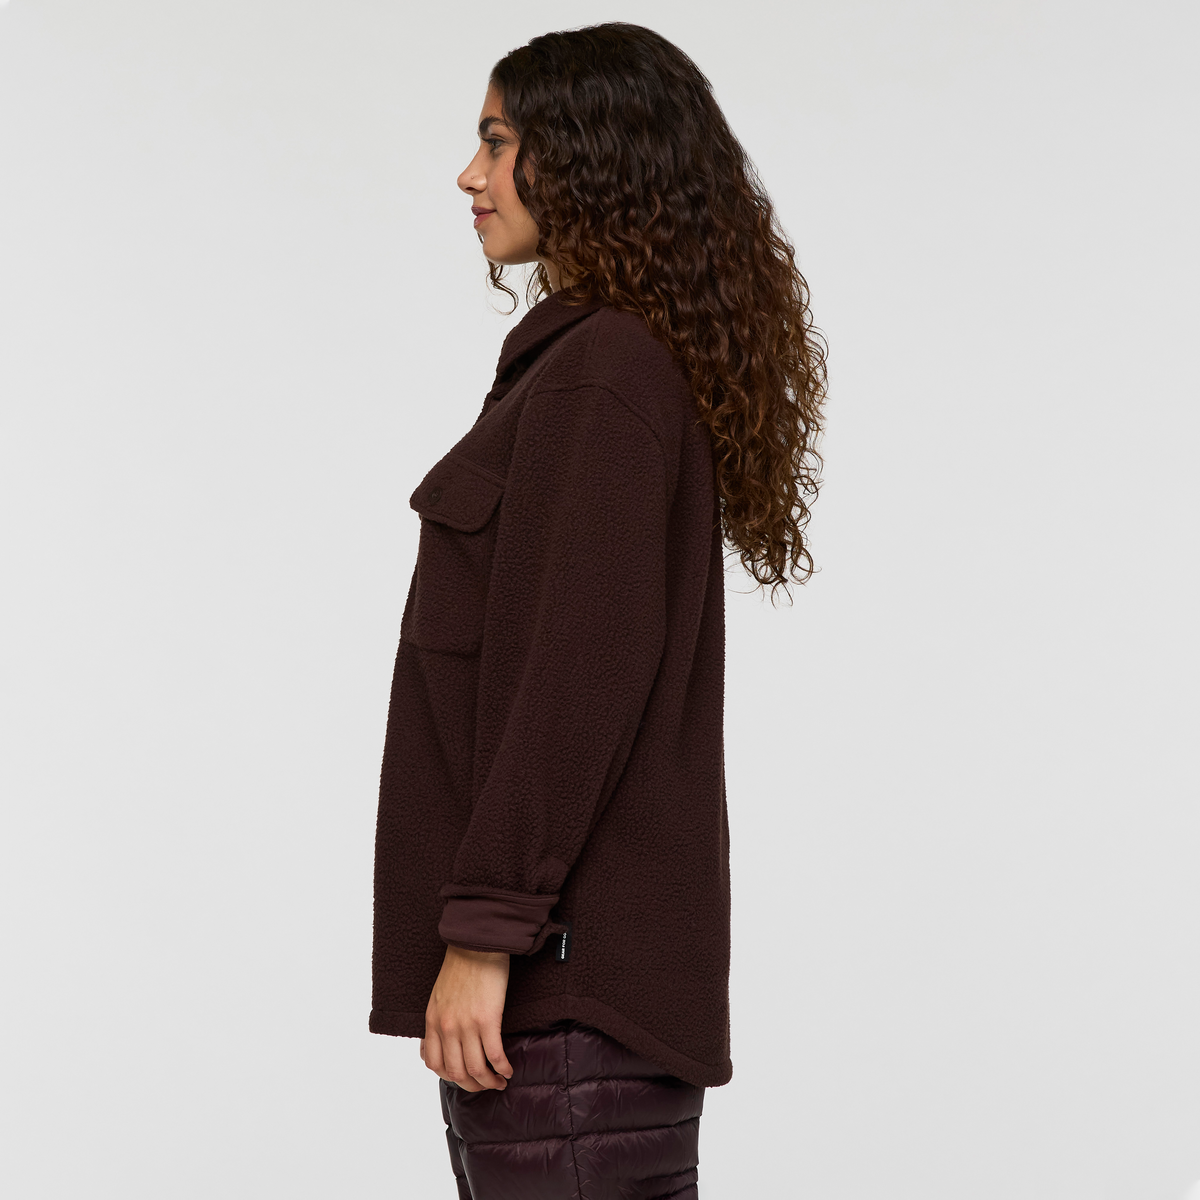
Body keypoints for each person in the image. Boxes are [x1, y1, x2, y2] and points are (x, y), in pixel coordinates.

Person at [369, 22, 826, 1199]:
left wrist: (485, 935)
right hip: (571, 1011)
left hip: (564, 1006)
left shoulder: (601, 374)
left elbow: (574, 684)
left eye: (496, 142)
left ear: (583, 156)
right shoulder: (593, 364)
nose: (469, 175)